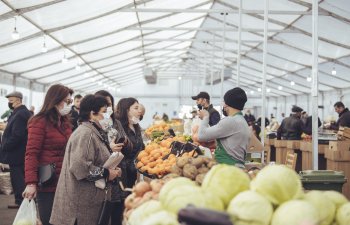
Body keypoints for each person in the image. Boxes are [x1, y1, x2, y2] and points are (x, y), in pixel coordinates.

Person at [50, 95, 121, 225]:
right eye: (104, 112)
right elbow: (79, 167)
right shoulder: (86, 134)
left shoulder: (94, 131)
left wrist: (112, 168)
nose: (107, 116)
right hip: (80, 206)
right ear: (92, 114)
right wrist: (106, 173)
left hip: (88, 202)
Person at [23, 84, 73, 225]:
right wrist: (31, 183)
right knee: (49, 220)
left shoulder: (65, 122)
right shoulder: (39, 121)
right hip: (48, 181)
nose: (69, 105)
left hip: (65, 181)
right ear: (55, 100)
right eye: (67, 101)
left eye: (71, 101)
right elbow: (31, 153)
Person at [198, 87, 250, 167]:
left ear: (226, 104)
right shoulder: (241, 121)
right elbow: (232, 145)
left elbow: (201, 135)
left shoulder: (231, 121)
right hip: (235, 166)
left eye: (224, 101)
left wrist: (205, 117)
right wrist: (212, 145)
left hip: (228, 168)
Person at [111, 97, 144, 224]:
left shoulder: (136, 126)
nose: (139, 111)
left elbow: (140, 146)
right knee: (119, 206)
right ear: (126, 110)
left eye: (139, 108)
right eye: (136, 108)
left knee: (127, 203)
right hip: (121, 172)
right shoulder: (119, 127)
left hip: (132, 172)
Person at [0, 91, 32, 208]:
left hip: (17, 153)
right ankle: (23, 200)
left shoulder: (20, 114)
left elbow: (17, 135)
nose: (9, 103)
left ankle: (20, 201)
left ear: (18, 100)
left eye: (11, 101)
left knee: (17, 178)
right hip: (19, 152)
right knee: (20, 177)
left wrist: (5, 145)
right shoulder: (20, 113)